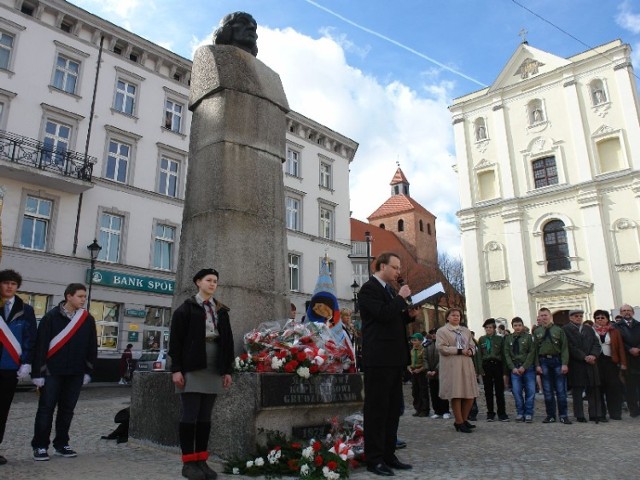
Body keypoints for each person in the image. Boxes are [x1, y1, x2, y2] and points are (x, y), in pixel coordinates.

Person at [169, 268, 234, 480]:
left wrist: (227, 370)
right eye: (208, 280)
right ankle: (188, 463)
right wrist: (176, 369)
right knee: (190, 415)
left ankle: (202, 460)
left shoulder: (221, 310)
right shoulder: (186, 309)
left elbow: (228, 342)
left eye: (215, 281)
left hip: (214, 366)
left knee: (205, 417)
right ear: (198, 282)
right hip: (193, 366)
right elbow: (175, 342)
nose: (212, 284)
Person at [358, 252, 418, 476]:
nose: (398, 272)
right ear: (382, 266)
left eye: (399, 268)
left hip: (394, 358)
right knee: (377, 410)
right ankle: (374, 459)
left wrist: (408, 316)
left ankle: (388, 454)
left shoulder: (390, 291)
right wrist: (400, 300)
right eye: (395, 267)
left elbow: (393, 318)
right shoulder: (368, 289)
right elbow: (381, 315)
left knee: (393, 410)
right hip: (378, 359)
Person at [31, 283, 98, 461]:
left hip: (75, 372)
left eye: (85, 296)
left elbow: (92, 346)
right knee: (46, 409)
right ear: (69, 296)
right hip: (52, 371)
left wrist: (88, 370)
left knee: (67, 410)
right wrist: (38, 373)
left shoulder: (87, 319)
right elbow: (41, 346)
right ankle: (40, 446)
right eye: (80, 296)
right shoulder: (51, 317)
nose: (84, 299)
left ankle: (62, 444)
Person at [0, 269, 37, 465]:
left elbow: (30, 338)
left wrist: (27, 362)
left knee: (2, 410)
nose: (9, 287)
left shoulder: (26, 310)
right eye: (5, 283)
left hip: (10, 367)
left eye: (13, 284)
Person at [436, 308, 479, 433]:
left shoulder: (465, 331)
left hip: (466, 363)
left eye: (458, 315)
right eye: (453, 315)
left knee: (469, 394)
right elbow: (442, 347)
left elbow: (472, 345)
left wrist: (471, 350)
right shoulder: (442, 331)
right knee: (457, 393)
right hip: (452, 365)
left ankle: (463, 419)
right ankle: (459, 421)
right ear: (448, 317)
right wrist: (459, 350)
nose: (456, 317)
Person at [533, 307, 571, 424]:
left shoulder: (559, 330)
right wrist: (537, 365)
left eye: (545, 315)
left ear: (550, 316)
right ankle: (550, 415)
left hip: (557, 361)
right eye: (541, 315)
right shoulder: (537, 332)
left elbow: (564, 348)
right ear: (539, 317)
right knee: (547, 391)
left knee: (561, 390)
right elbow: (534, 350)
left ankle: (563, 415)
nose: (544, 317)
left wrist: (564, 364)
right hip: (544, 361)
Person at [563, 309, 601, 422]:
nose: (578, 318)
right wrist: (584, 357)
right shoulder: (566, 329)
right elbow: (569, 346)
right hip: (577, 363)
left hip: (591, 363)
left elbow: (596, 343)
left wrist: (593, 355)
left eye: (580, 316)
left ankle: (594, 413)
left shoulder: (588, 329)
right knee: (578, 390)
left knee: (592, 389)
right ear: (570, 318)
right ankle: (579, 415)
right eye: (576, 316)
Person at [593, 310, 626, 420]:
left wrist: (623, 363)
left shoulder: (614, 331)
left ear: (607, 319)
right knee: (599, 387)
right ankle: (601, 413)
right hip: (597, 362)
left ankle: (615, 413)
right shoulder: (591, 331)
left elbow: (620, 347)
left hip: (611, 361)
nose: (600, 319)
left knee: (613, 387)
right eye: (598, 318)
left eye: (603, 317)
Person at [504, 317, 536, 422]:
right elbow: (507, 353)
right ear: (512, 327)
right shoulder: (509, 338)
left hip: (527, 368)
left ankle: (528, 413)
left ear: (522, 326)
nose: (517, 327)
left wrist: (524, 366)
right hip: (515, 368)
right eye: (515, 325)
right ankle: (520, 412)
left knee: (530, 391)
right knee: (517, 392)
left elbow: (532, 352)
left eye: (519, 325)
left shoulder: (528, 338)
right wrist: (512, 367)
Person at [478, 318, 509, 422]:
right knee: (488, 391)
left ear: (494, 328)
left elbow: (504, 355)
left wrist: (505, 370)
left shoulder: (500, 339)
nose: (488, 329)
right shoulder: (482, 339)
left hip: (497, 365)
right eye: (486, 328)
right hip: (486, 365)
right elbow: (479, 355)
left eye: (490, 327)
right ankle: (490, 413)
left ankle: (502, 413)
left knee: (499, 390)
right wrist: (480, 368)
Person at [615, 304, 640, 417]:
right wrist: (629, 349)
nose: (626, 312)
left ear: (633, 312)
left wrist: (638, 348)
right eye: (624, 310)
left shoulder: (638, 325)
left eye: (629, 310)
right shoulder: (616, 327)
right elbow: (618, 343)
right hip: (626, 359)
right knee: (630, 387)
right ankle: (634, 410)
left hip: (639, 357)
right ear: (620, 313)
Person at [424, 328, 451, 420]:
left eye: (435, 333)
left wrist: (436, 370)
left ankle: (446, 411)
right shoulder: (428, 345)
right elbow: (424, 358)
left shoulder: (443, 344)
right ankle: (437, 411)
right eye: (432, 333)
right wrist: (427, 369)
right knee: (433, 392)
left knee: (442, 393)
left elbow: (443, 358)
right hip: (430, 373)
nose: (434, 335)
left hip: (441, 372)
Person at [408, 332, 429, 417]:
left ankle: (425, 410)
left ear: (420, 341)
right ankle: (418, 408)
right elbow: (409, 361)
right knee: (415, 391)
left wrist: (420, 369)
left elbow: (425, 362)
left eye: (415, 340)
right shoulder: (412, 350)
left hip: (421, 372)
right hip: (413, 372)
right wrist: (409, 368)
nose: (413, 342)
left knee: (423, 391)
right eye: (412, 340)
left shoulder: (423, 350)